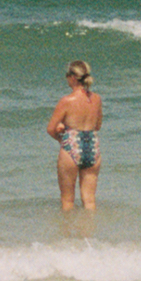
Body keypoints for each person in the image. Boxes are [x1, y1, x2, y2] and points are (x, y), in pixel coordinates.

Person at [46, 61, 103, 212]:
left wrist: (61, 138)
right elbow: (97, 126)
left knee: (67, 200)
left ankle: (66, 234)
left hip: (72, 146)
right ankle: (90, 235)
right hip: (93, 145)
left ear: (72, 77)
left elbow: (50, 129)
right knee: (90, 201)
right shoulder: (96, 99)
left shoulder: (66, 101)